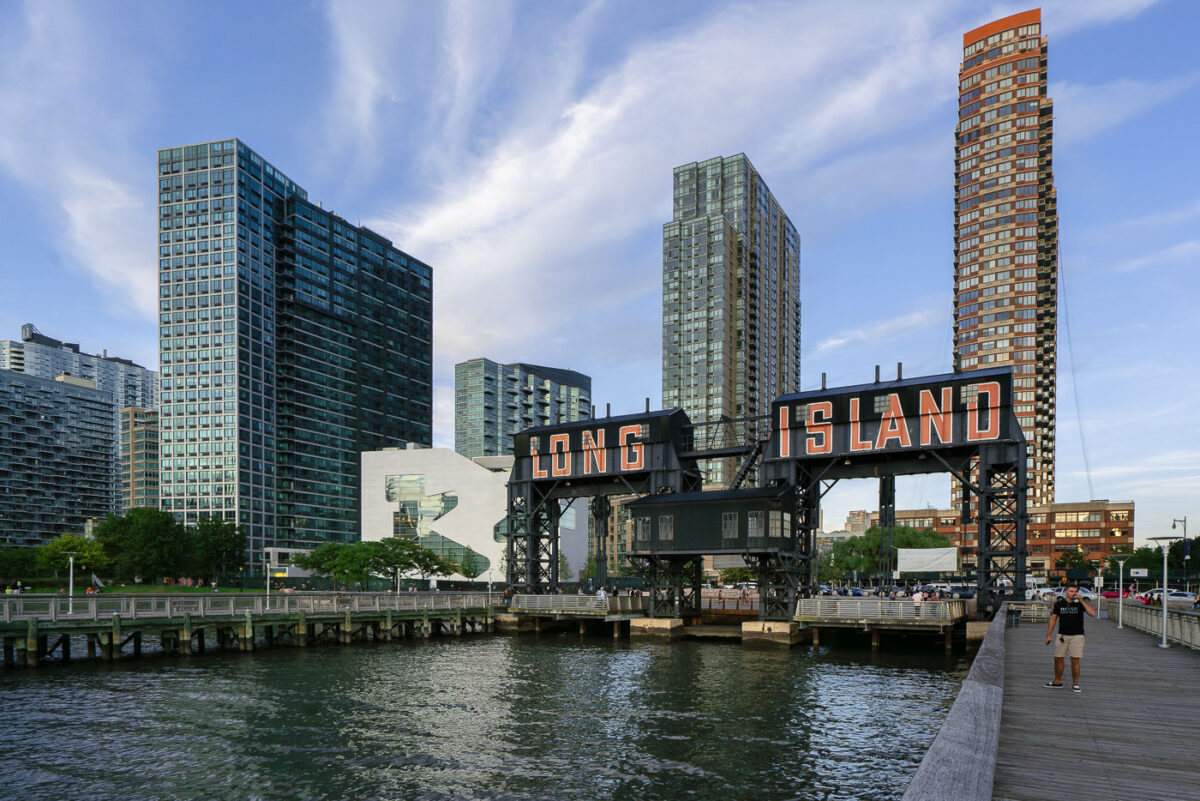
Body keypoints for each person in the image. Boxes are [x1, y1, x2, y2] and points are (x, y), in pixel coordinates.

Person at [1045, 584, 1095, 693]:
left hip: (1077, 636)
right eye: (1071, 591)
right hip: (1062, 635)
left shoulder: (1080, 604)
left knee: (1075, 659)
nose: (1073, 593)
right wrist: (1048, 635)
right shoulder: (1059, 604)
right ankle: (1057, 682)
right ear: (1066, 592)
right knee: (1058, 658)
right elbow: (1053, 620)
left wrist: (1081, 600)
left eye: (1075, 591)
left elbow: (1092, 614)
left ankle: (1075, 684)